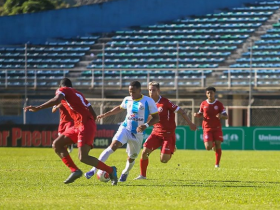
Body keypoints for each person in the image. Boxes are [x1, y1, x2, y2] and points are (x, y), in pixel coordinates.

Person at [24, 78, 118, 185]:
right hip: (79, 125)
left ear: (61, 87)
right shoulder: (78, 93)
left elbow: (56, 100)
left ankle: (111, 170)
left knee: (83, 157)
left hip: (85, 125)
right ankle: (75, 170)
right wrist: (93, 118)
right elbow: (89, 106)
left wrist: (38, 107)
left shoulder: (62, 90)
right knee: (57, 144)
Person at [84, 81, 159, 182]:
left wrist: (145, 125)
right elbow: (119, 108)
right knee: (113, 146)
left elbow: (156, 118)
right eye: (130, 91)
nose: (131, 94)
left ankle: (125, 172)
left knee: (132, 157)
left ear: (140, 91)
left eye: (133, 92)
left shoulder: (148, 101)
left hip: (137, 134)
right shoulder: (127, 99)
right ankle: (93, 170)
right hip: (125, 128)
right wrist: (105, 114)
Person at [134, 81, 198, 180]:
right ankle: (142, 175)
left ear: (158, 91)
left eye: (154, 90)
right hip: (156, 133)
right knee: (144, 152)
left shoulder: (165, 102)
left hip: (168, 134)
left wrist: (190, 123)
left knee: (164, 160)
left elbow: (181, 111)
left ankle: (172, 147)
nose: (151, 92)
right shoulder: (148, 103)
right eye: (150, 90)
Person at [193, 86, 228, 168]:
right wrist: (197, 115)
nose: (210, 94)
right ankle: (212, 145)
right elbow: (200, 113)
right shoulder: (203, 104)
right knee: (208, 147)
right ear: (206, 94)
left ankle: (217, 164)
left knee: (218, 144)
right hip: (207, 128)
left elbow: (226, 116)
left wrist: (221, 116)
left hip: (217, 128)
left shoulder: (219, 104)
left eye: (211, 93)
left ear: (214, 94)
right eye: (208, 93)